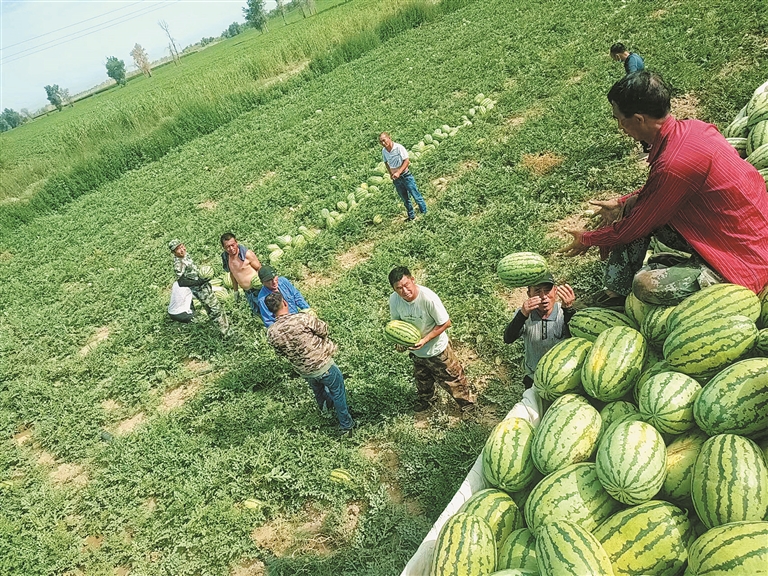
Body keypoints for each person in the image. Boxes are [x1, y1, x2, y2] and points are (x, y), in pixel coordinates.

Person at [561, 71, 768, 307]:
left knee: (646, 285)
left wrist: (588, 239)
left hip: (743, 263)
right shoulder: (695, 128)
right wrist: (622, 203)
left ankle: (707, 280)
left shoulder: (674, 165)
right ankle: (615, 295)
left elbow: (635, 227)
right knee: (632, 207)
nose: (620, 127)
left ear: (638, 119)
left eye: (620, 119)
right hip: (742, 232)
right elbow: (656, 194)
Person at [265, 292, 355, 437]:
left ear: (270, 310)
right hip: (323, 365)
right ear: (285, 303)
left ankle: (326, 411)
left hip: (305, 371)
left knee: (318, 391)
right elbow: (324, 329)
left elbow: (280, 353)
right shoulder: (302, 319)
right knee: (338, 392)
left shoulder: (271, 332)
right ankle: (346, 425)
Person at [388, 266, 475, 416]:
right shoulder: (394, 300)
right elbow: (396, 323)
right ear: (394, 289)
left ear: (413, 280)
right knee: (422, 379)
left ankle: (468, 407)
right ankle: (427, 401)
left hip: (437, 350)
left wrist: (425, 340)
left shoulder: (428, 298)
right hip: (417, 352)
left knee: (453, 379)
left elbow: (446, 322)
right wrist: (400, 342)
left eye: (406, 285)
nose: (405, 291)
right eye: (399, 288)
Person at [503, 273, 576, 388]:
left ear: (555, 291)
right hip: (534, 378)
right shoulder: (524, 315)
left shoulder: (564, 313)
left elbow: (576, 338)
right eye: (537, 291)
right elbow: (508, 338)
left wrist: (569, 310)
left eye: (547, 291)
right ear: (529, 294)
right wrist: (522, 315)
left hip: (563, 378)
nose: (543, 297)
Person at [168, 239, 230, 336]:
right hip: (199, 289)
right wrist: (198, 282)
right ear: (173, 252)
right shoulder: (178, 264)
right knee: (215, 309)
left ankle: (220, 327)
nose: (181, 249)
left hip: (203, 286)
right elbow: (181, 282)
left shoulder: (185, 255)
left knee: (212, 307)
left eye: (181, 246)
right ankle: (225, 332)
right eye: (177, 249)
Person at [380, 132, 427, 221]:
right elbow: (386, 162)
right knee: (405, 199)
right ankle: (411, 216)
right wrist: (391, 173)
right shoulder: (384, 151)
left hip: (405, 176)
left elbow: (406, 161)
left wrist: (398, 172)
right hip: (396, 179)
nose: (383, 143)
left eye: (384, 140)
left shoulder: (399, 147)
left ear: (389, 138)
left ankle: (425, 214)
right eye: (381, 142)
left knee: (416, 195)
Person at [220, 232, 262, 316]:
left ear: (236, 243)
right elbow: (233, 274)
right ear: (223, 247)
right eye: (227, 247)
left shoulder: (247, 254)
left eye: (233, 245)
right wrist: (236, 291)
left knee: (269, 311)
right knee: (258, 313)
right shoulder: (226, 257)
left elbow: (260, 269)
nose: (231, 248)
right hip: (247, 292)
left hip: (258, 290)